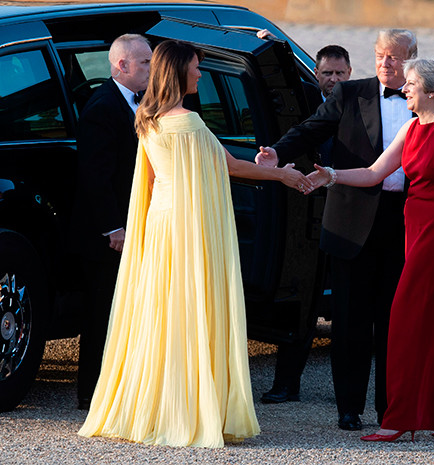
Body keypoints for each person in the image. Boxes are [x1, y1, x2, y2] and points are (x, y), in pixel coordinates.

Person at [78, 40, 312, 448]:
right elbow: (230, 166)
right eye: (196, 68)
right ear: (179, 72)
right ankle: (186, 410)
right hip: (188, 227)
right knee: (191, 310)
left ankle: (153, 405)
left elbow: (152, 180)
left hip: (161, 225)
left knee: (161, 313)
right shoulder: (188, 123)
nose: (201, 74)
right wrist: (283, 175)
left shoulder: (148, 118)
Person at [307, 56, 434, 442]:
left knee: (404, 320)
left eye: (412, 84)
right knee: (433, 319)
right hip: (414, 230)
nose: (404, 89)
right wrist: (331, 176)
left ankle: (399, 418)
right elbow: (374, 173)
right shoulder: (411, 127)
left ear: (432, 91)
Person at [256, 29, 417, 430]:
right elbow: (310, 129)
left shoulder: (423, 98)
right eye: (380, 54)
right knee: (349, 320)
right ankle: (349, 407)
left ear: (411, 59)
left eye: (395, 56)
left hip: (404, 220)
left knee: (394, 321)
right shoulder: (350, 93)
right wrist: (278, 151)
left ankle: (391, 409)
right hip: (350, 220)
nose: (385, 62)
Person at [261, 44, 352, 404]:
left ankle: (346, 394)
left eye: (340, 73)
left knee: (347, 307)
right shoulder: (300, 101)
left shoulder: (360, 104)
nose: (334, 80)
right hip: (302, 218)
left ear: (350, 73)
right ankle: (287, 383)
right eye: (327, 73)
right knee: (301, 303)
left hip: (346, 216)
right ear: (315, 74)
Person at [73, 34, 152, 410]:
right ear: (122, 65)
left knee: (125, 309)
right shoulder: (102, 107)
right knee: (102, 311)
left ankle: (119, 388)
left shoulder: (140, 102)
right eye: (146, 63)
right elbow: (95, 175)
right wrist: (113, 228)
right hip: (106, 235)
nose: (152, 69)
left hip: (130, 226)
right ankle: (91, 393)